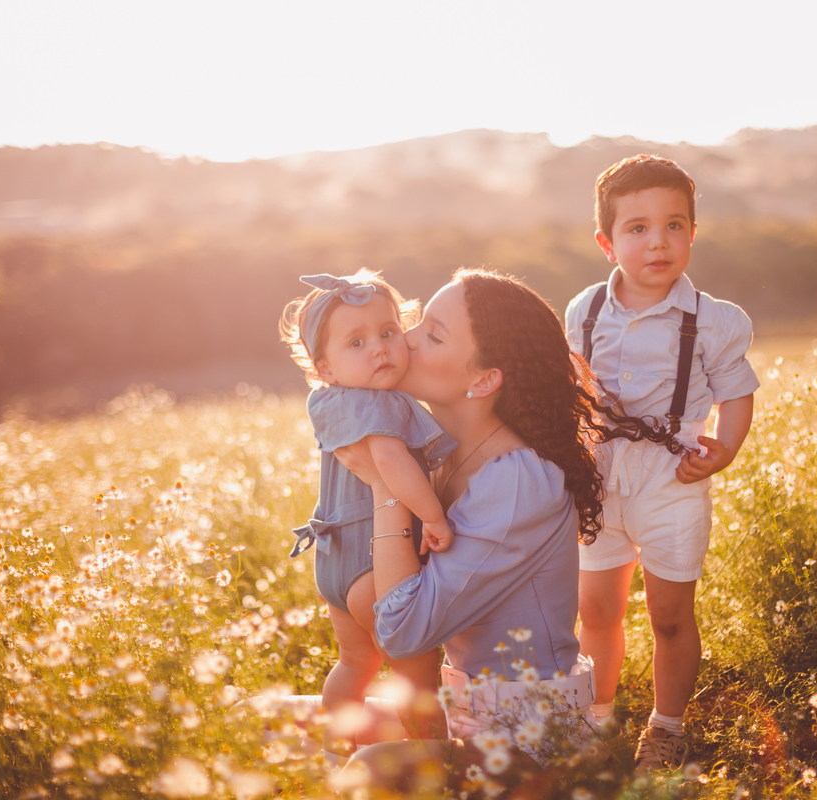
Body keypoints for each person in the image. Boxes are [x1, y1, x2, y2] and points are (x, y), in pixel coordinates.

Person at [333, 269, 666, 785]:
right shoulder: (437, 458)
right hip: (463, 718)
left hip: (535, 748)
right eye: (417, 323)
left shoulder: (518, 481)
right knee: (279, 720)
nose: (406, 339)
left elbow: (402, 633)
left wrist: (384, 485)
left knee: (366, 772)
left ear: (484, 380)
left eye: (433, 335)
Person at [565, 155, 760, 771]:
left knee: (670, 616)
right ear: (607, 242)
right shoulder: (585, 310)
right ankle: (595, 716)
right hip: (599, 476)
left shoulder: (714, 319)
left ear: (693, 233)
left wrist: (724, 449)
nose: (658, 242)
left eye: (674, 225)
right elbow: (573, 389)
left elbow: (737, 393)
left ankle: (666, 727)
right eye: (638, 228)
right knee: (596, 610)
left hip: (672, 479)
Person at [280, 270, 456, 759]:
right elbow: (390, 463)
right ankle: (433, 757)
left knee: (354, 664)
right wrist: (433, 516)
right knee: (416, 675)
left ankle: (335, 753)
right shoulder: (377, 404)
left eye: (387, 332)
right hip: (375, 560)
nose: (379, 349)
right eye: (357, 342)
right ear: (325, 367)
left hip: (334, 560)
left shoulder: (330, 402)